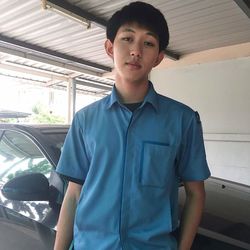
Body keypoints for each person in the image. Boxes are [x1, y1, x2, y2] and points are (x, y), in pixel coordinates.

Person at [54, 2, 210, 250]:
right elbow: (73, 194)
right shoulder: (85, 120)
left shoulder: (182, 120)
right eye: (127, 38)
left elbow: (195, 194)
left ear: (159, 57)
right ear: (109, 47)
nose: (136, 50)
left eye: (148, 43)